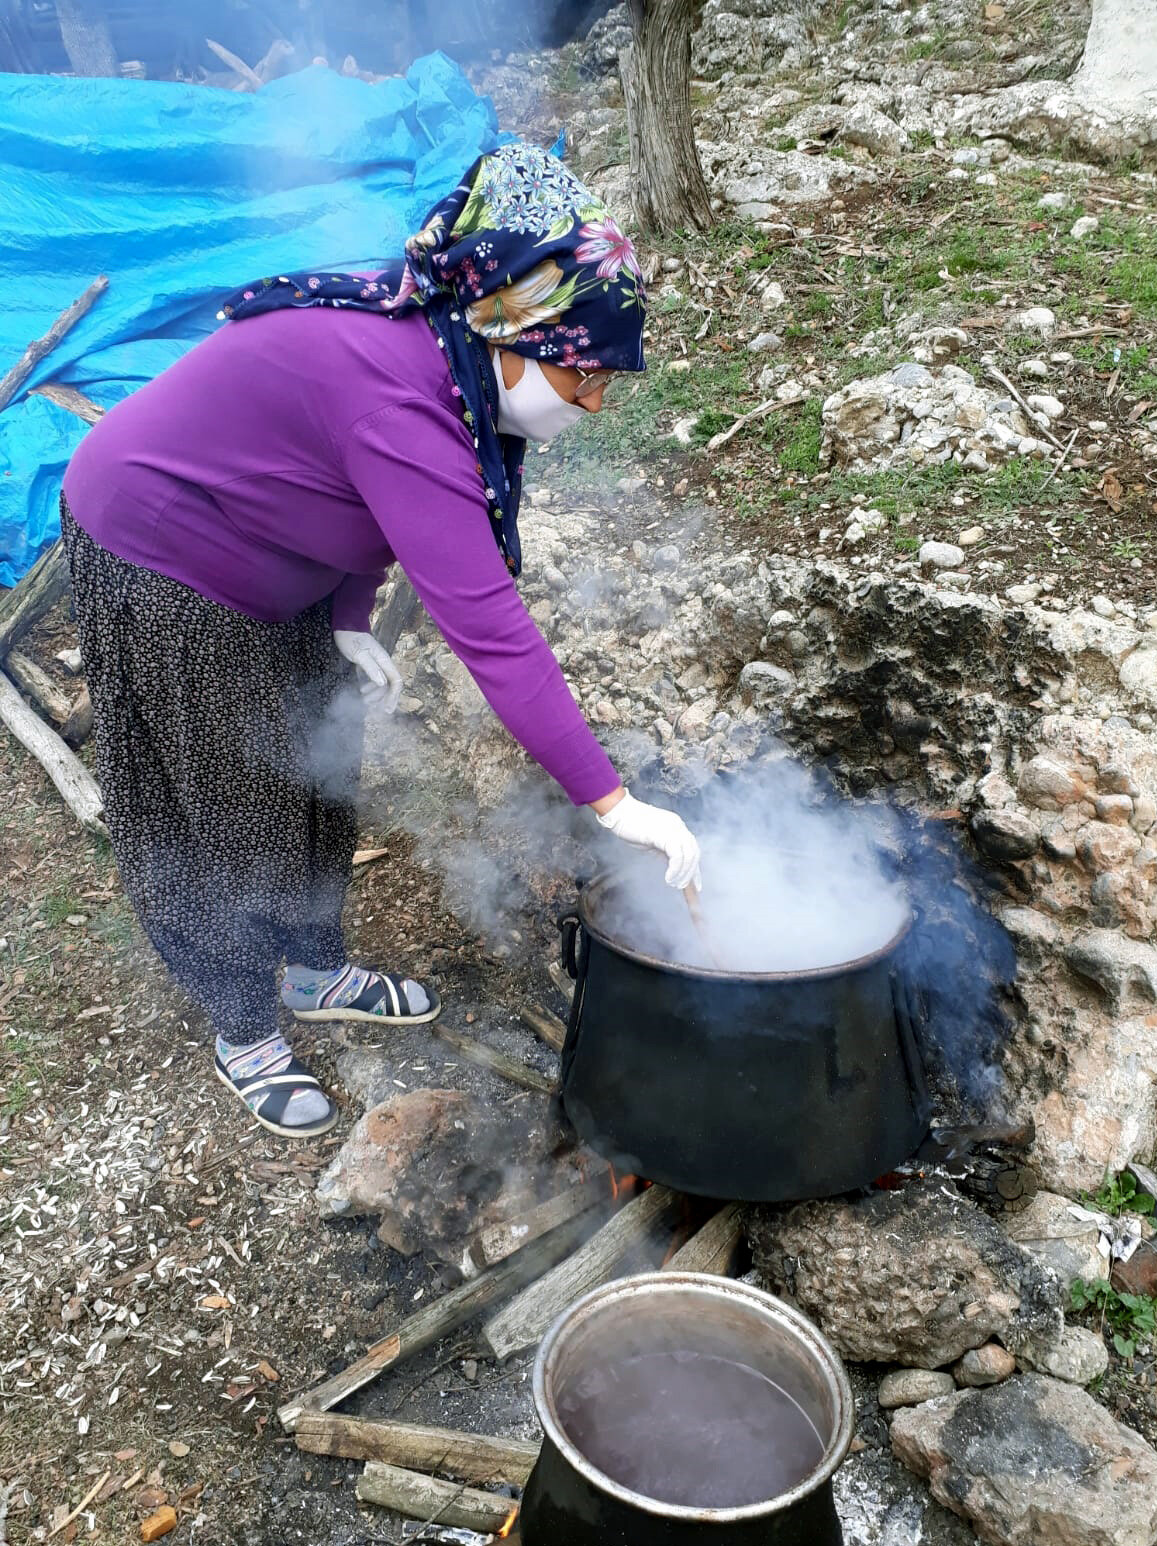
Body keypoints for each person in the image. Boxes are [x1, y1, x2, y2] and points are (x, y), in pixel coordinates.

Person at [60, 141, 701, 1140]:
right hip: (162, 548)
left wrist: (350, 617)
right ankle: (243, 1026)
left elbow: (336, 485)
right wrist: (612, 802)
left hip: (272, 552)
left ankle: (314, 969)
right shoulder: (403, 395)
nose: (595, 403)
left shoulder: (454, 359)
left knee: (319, 767)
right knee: (220, 799)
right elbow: (489, 626)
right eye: (583, 377)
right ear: (511, 334)